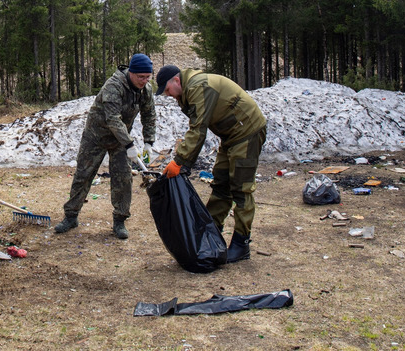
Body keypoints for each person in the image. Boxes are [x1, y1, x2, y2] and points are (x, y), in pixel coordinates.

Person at [155, 65, 266, 262]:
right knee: (221, 184)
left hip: (247, 131)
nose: (168, 95)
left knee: (241, 189)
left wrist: (180, 162)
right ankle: (211, 233)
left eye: (168, 90)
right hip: (230, 136)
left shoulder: (199, 86)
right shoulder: (187, 91)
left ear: (177, 80)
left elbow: (198, 128)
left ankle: (241, 244)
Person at [54, 53, 156, 239]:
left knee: (123, 178)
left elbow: (149, 115)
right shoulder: (114, 86)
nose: (144, 81)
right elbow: (113, 119)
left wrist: (149, 142)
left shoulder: (145, 89)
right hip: (96, 136)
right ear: (131, 73)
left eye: (147, 77)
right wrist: (130, 144)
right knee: (83, 175)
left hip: (120, 140)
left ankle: (120, 220)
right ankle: (71, 216)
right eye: (141, 77)